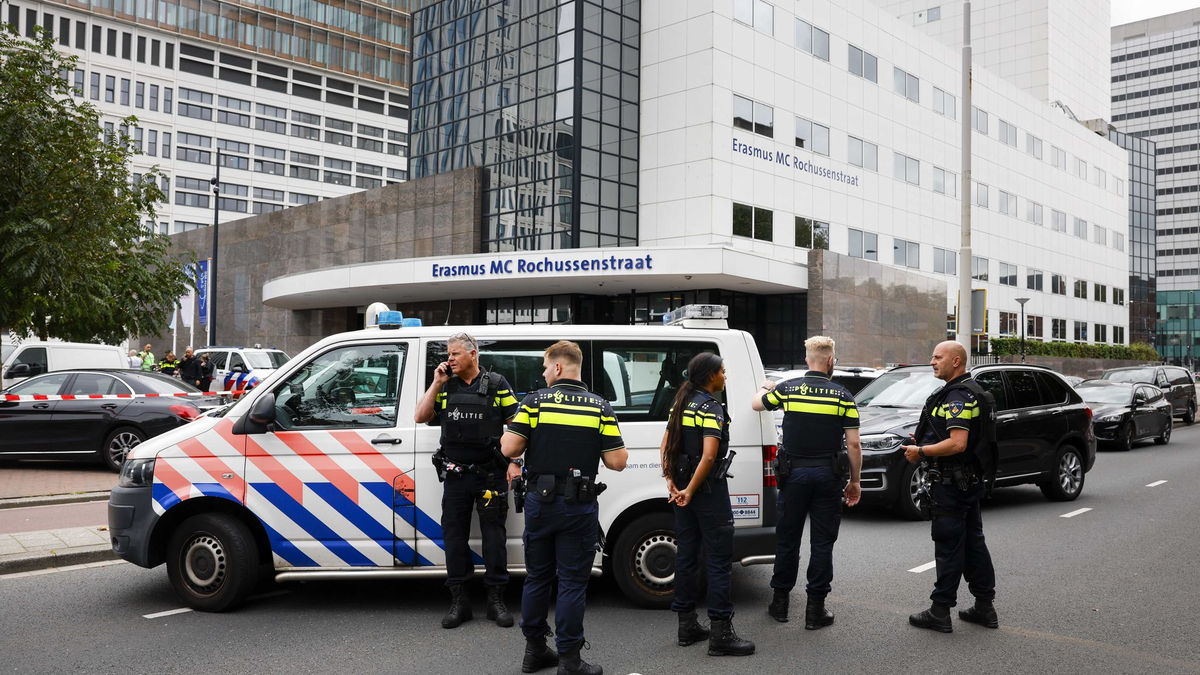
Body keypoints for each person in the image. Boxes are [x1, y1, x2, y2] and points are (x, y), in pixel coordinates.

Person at [502, 340, 627, 675]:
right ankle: (569, 661)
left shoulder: (534, 402)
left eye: (545, 367)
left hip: (540, 505)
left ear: (558, 367)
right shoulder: (600, 406)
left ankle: (535, 651)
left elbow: (509, 447)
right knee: (572, 582)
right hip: (578, 507)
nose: (543, 374)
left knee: (538, 577)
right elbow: (617, 462)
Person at [752, 335, 862, 628]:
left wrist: (765, 387)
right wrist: (855, 482)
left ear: (806, 360)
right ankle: (815, 610)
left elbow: (756, 405)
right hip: (828, 476)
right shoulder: (843, 396)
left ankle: (780, 604)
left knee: (787, 540)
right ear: (829, 362)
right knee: (822, 543)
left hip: (794, 476)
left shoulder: (788, 389)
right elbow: (854, 446)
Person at [414, 332, 521, 629]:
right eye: (448, 354)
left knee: (494, 539)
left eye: (455, 354)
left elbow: (518, 428)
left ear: (473, 355)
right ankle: (460, 603)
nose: (449, 359)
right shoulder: (446, 387)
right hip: (456, 475)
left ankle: (496, 601)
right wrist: (437, 381)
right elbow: (420, 416)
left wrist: (515, 463)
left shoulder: (498, 385)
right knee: (455, 538)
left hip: (491, 475)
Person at [660, 352, 754, 657]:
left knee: (687, 555)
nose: (725, 377)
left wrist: (671, 480)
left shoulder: (681, 402)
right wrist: (690, 489)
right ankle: (721, 634)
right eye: (723, 372)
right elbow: (709, 456)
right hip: (708, 491)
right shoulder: (711, 407)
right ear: (710, 376)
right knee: (718, 560)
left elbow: (665, 444)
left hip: (683, 488)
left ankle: (686, 626)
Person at [901, 341, 998, 633]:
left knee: (948, 546)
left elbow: (958, 442)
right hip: (967, 481)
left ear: (956, 361)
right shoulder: (973, 390)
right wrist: (928, 439)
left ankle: (940, 610)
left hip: (952, 485)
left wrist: (922, 452)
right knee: (973, 543)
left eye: (937, 357)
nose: (932, 361)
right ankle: (984, 607)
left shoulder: (957, 395)